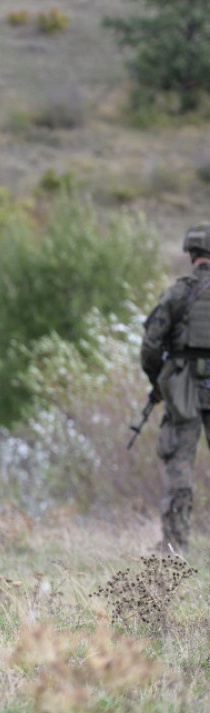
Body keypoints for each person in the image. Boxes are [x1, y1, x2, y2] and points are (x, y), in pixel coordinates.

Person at [141, 223, 210, 553]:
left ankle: (175, 544)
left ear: (190, 254)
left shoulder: (177, 293)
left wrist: (159, 382)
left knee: (179, 463)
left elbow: (151, 346)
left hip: (183, 387)